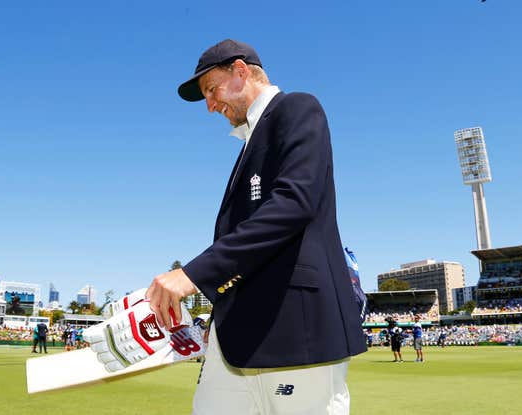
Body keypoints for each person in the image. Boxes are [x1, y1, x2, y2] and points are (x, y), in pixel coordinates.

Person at [144, 39, 366, 414]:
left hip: (296, 327)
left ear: (241, 72)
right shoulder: (249, 143)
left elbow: (294, 204)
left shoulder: (296, 107)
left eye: (211, 90)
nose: (210, 106)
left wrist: (192, 275)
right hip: (238, 337)